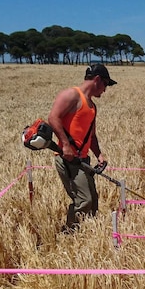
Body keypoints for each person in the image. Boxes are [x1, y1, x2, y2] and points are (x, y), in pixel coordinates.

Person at [47, 63, 116, 232]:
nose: (105, 90)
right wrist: (65, 145)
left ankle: (87, 235)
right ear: (97, 80)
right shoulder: (71, 95)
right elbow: (53, 118)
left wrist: (99, 155)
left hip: (82, 160)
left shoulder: (92, 107)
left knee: (92, 200)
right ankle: (67, 234)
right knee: (84, 200)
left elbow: (91, 136)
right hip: (68, 159)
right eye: (105, 84)